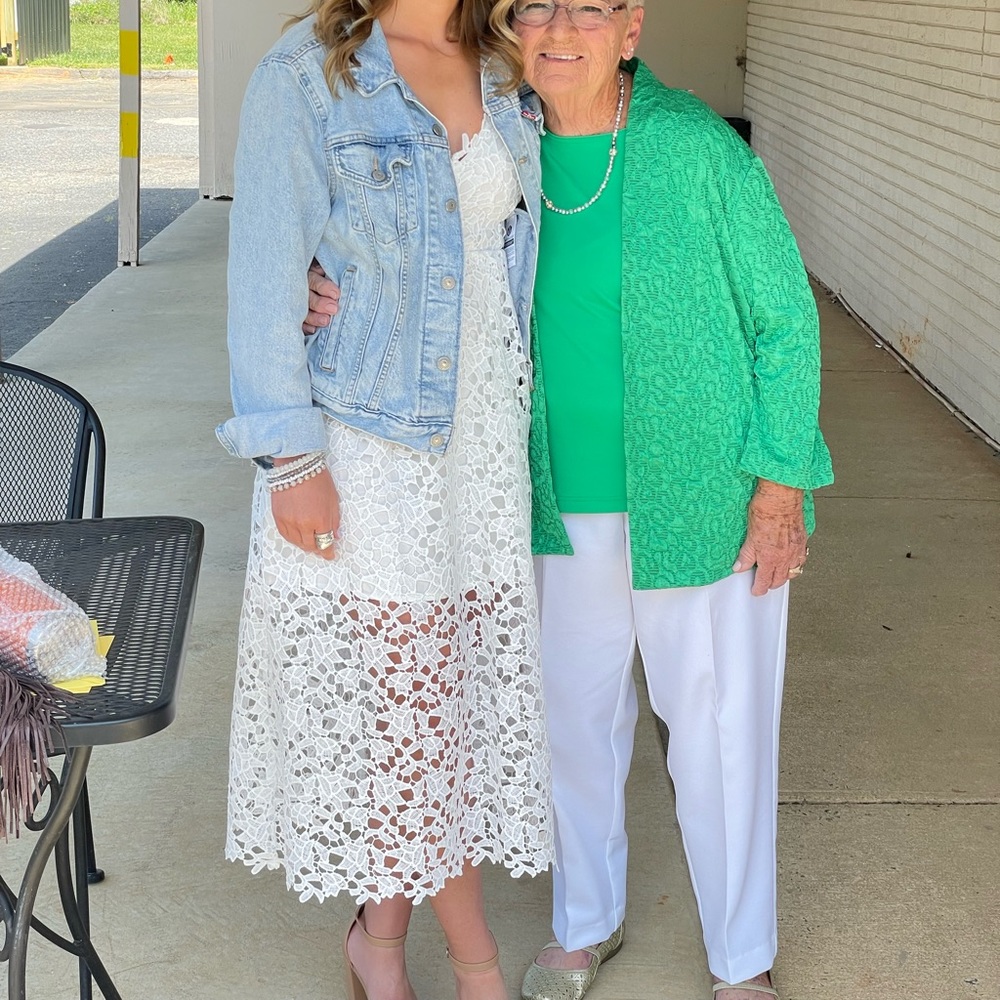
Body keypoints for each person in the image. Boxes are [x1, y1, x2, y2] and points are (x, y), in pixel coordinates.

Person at [306, 1, 834, 997]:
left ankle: (742, 965)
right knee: (571, 726)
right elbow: (410, 259)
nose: (559, 27)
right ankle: (583, 924)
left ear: (628, 29)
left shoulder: (693, 150)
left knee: (718, 735)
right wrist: (321, 285)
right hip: (546, 501)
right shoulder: (498, 142)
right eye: (534, 5)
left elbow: (786, 323)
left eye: (587, 7)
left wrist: (780, 481)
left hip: (706, 502)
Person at [216, 3, 554, 999]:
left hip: (484, 442)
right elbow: (263, 273)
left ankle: (375, 938)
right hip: (372, 443)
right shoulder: (307, 76)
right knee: (415, 709)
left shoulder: (503, 65)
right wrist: (288, 458)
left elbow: (501, 258)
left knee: (434, 696)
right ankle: (476, 966)